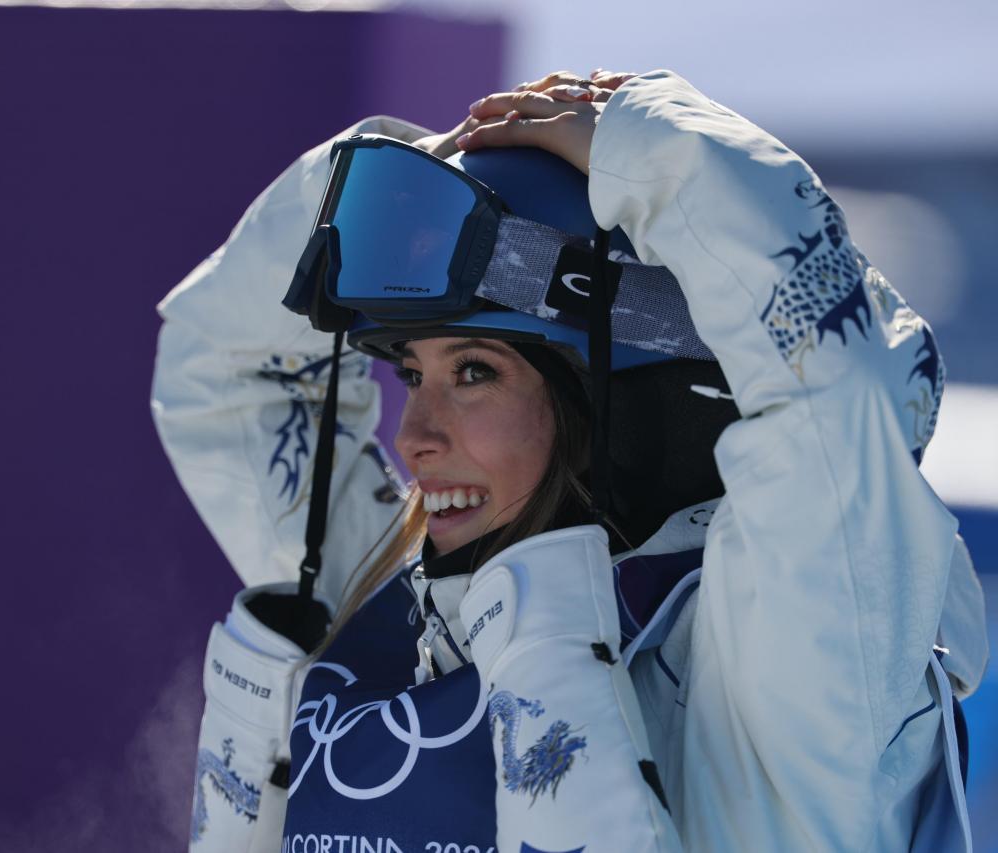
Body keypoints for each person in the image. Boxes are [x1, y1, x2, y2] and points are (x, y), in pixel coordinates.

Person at [152, 69, 989, 852]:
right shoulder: (403, 607)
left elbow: (842, 391)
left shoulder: (779, 664)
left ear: (614, 405)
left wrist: (657, 151)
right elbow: (223, 372)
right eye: (411, 373)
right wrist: (381, 186)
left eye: (473, 373)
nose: (414, 438)